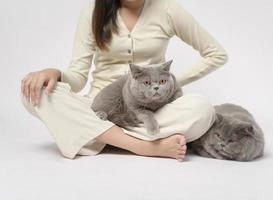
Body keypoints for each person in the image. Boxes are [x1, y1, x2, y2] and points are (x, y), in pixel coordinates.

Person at [20, 0, 228, 161]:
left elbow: (216, 54)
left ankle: (100, 137)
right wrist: (54, 73)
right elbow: (78, 76)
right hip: (99, 110)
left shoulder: (167, 9)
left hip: (152, 114)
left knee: (202, 109)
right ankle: (143, 146)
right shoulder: (94, 11)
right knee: (32, 94)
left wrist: (169, 84)